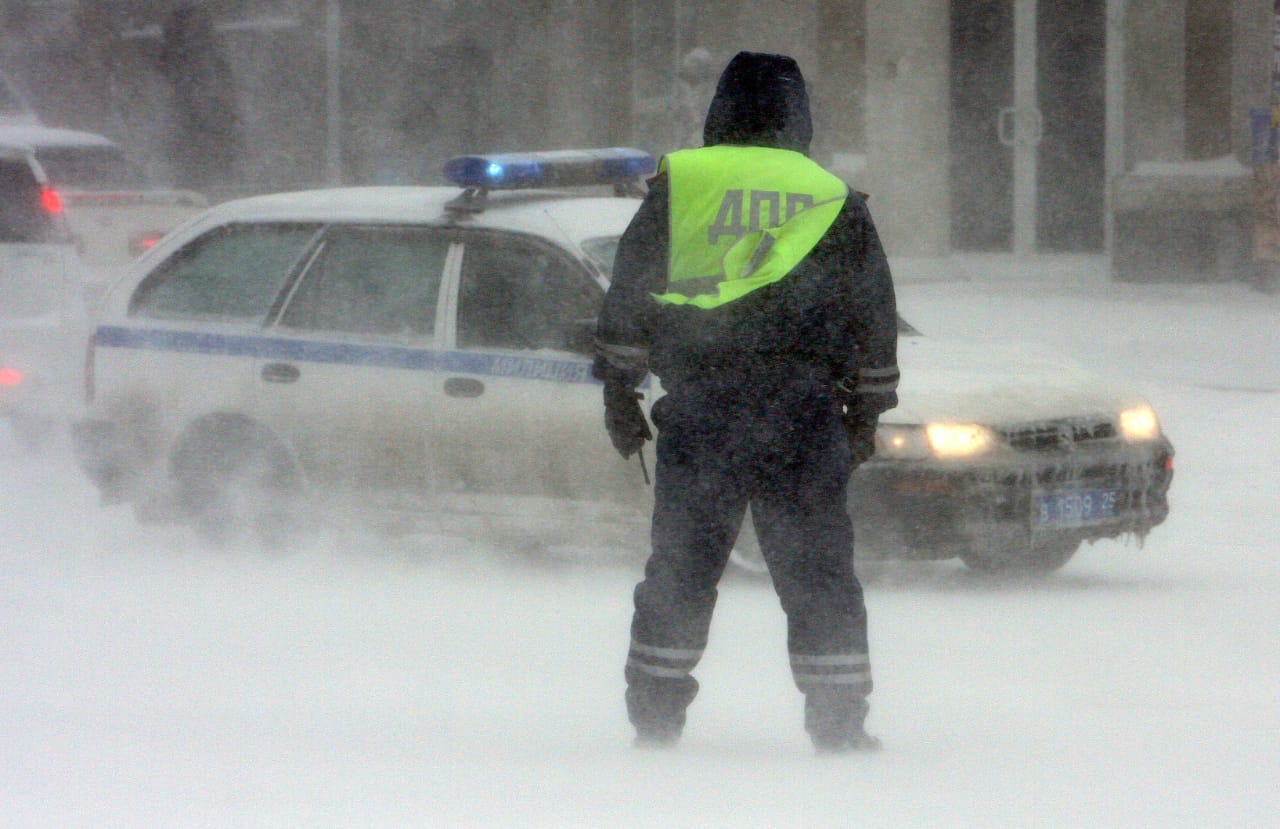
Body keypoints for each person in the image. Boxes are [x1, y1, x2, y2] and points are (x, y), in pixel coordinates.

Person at [594, 51, 900, 753]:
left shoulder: (684, 185)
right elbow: (872, 317)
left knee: (681, 569)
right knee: (820, 574)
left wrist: (619, 391)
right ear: (800, 116)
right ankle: (839, 726)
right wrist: (865, 414)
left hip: (704, 411)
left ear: (720, 109)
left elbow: (630, 292)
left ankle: (656, 721)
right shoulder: (831, 197)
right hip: (803, 413)